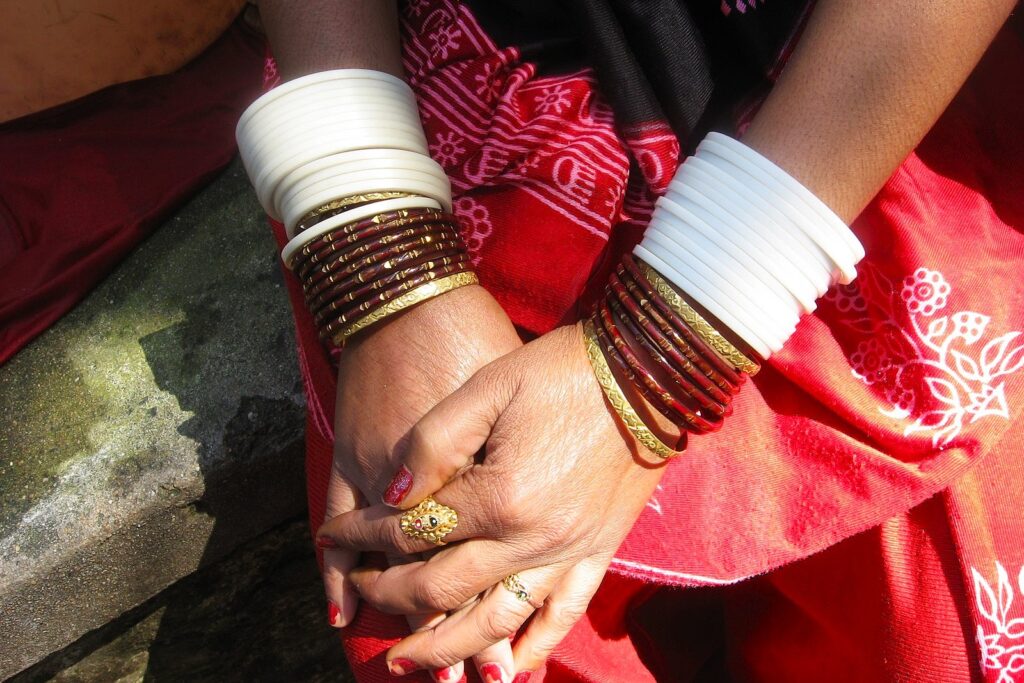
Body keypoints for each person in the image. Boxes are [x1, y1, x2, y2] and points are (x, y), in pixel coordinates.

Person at [246, 1, 1024, 681]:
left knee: (940, 635)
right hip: (449, 120)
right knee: (446, 604)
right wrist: (374, 249)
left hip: (852, 109)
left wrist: (660, 353)